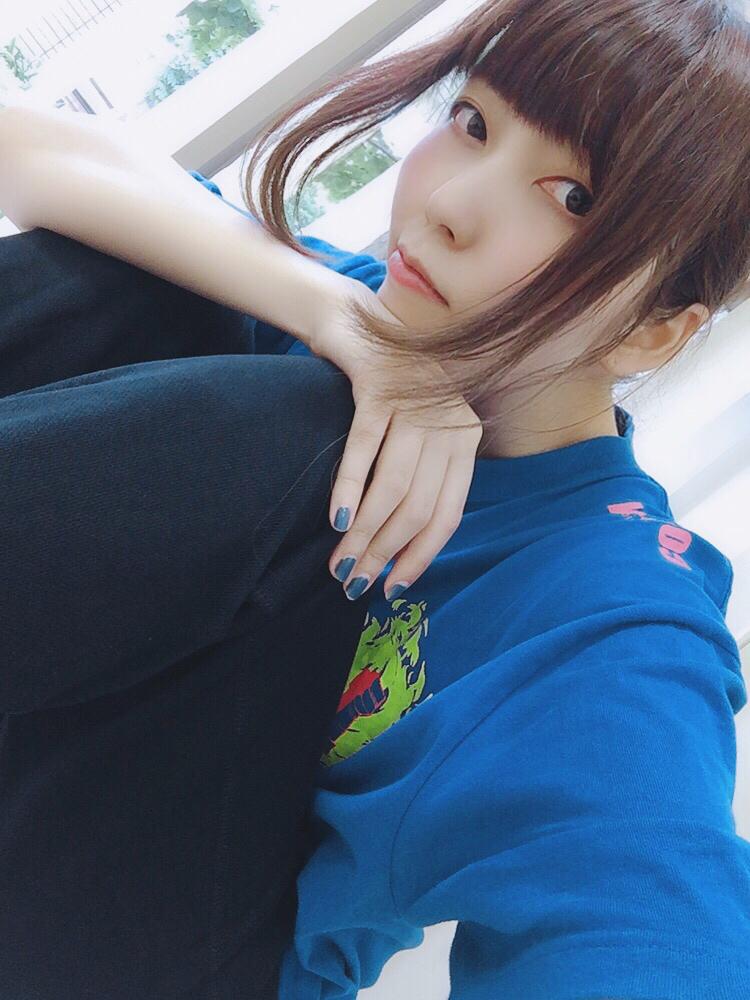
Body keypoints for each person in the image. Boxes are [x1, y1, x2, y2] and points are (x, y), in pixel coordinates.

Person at [0, 2, 749, 1000]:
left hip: (134, 951)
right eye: (474, 121)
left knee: (317, 417)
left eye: (572, 198)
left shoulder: (611, 612)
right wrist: (329, 311)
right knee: (158, 284)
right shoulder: (367, 318)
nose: (450, 203)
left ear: (652, 332)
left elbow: (652, 918)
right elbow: (31, 151)